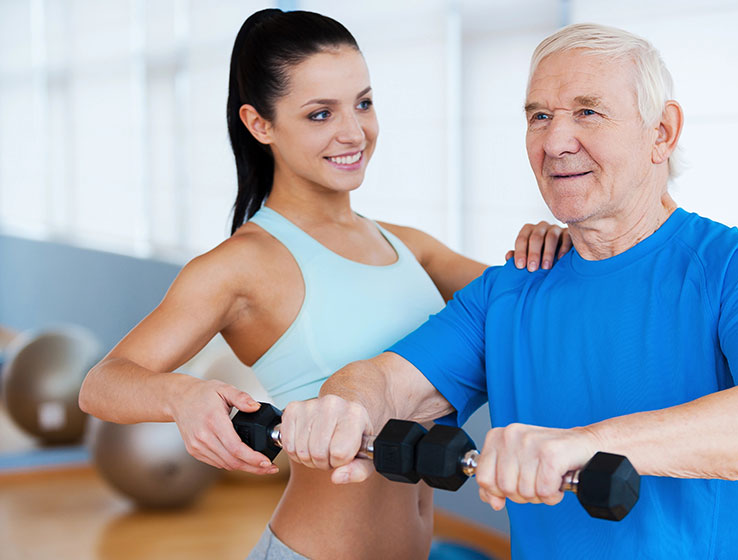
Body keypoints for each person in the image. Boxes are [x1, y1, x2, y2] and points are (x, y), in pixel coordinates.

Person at [278, 23, 738, 559]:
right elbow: (388, 382)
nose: (556, 142)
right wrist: (344, 404)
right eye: (540, 116)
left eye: (588, 111)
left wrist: (584, 444)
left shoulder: (735, 265)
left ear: (661, 132)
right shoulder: (509, 288)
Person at [78, 9, 567, 560]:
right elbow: (102, 384)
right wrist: (183, 395)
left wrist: (546, 242)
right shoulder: (240, 266)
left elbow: (533, 306)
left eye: (363, 102)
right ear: (259, 124)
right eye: (319, 114)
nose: (353, 132)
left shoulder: (411, 246)